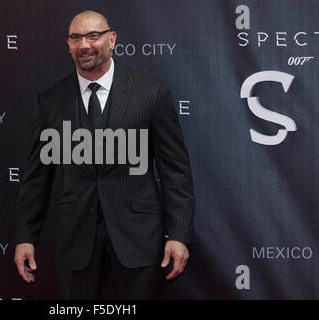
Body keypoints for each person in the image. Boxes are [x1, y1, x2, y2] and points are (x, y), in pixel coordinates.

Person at [14, 10, 195, 299]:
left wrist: (178, 235)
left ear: (111, 40)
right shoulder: (50, 101)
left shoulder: (151, 93)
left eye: (93, 36)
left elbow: (175, 171)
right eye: (76, 38)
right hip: (76, 240)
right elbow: (37, 178)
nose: (84, 44)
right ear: (68, 46)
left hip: (139, 237)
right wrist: (26, 237)